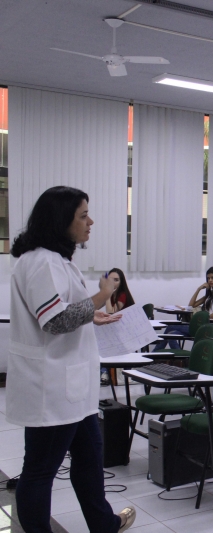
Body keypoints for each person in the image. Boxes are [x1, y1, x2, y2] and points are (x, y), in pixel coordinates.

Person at [7, 186, 135, 532]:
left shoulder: (56, 260)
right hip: (52, 389)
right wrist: (102, 296)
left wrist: (92, 314)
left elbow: (63, 311)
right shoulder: (41, 262)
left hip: (72, 389)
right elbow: (55, 320)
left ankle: (104, 524)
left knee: (90, 459)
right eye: (83, 216)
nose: (90, 222)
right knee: (39, 472)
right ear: (61, 220)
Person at [152, 266, 213, 350]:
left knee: (170, 327)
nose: (210, 280)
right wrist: (198, 289)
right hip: (201, 325)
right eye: (208, 278)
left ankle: (154, 353)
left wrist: (197, 319)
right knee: (171, 335)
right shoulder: (210, 295)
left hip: (210, 328)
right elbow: (191, 306)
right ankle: (182, 357)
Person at [100, 267, 135, 385]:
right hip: (117, 330)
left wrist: (106, 294)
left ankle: (105, 372)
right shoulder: (112, 294)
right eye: (110, 280)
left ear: (121, 282)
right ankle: (104, 372)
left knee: (104, 343)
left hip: (126, 332)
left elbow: (111, 312)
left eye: (116, 280)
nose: (113, 283)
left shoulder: (122, 295)